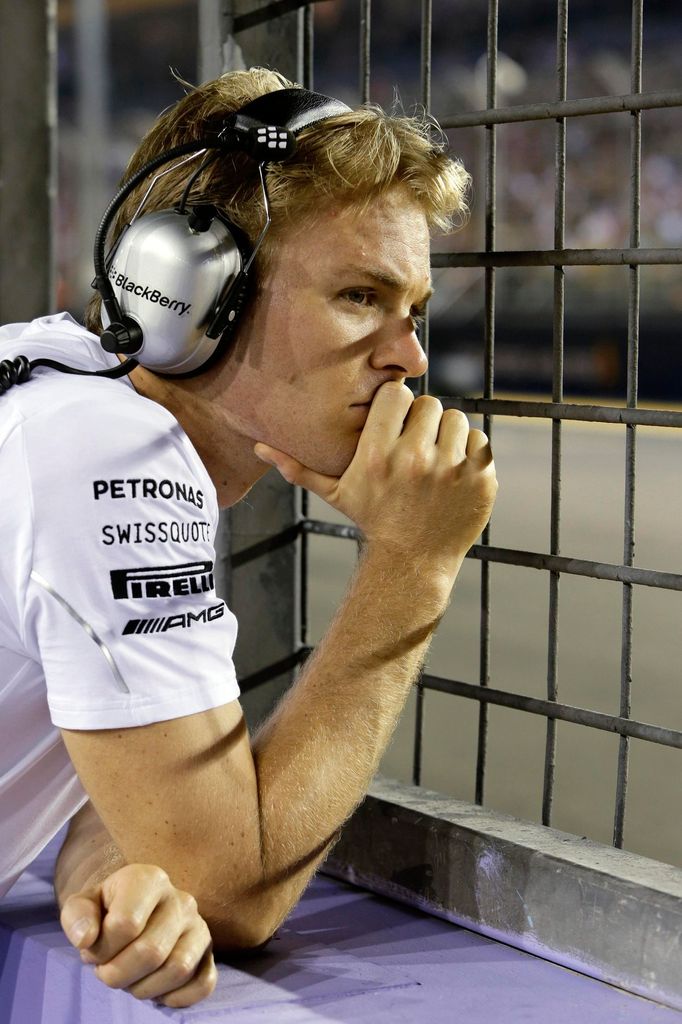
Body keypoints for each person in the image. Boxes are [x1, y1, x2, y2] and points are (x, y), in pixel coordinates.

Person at [0, 67, 497, 1008]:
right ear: (184, 293)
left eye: (412, 312)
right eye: (359, 297)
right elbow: (234, 887)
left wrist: (115, 870)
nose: (409, 359)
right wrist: (412, 564)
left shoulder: (47, 385)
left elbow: (148, 813)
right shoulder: (112, 456)